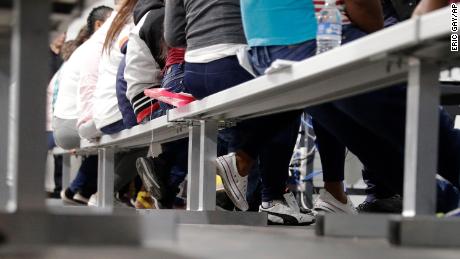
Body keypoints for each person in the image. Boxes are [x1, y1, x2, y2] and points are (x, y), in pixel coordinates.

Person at [165, 0, 315, 225]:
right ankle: (272, 197)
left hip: (194, 71)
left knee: (261, 106)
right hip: (232, 62)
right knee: (290, 93)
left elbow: (173, 35)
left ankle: (240, 182)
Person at [54, 6, 114, 204]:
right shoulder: (96, 49)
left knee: (119, 127)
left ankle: (80, 191)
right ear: (99, 25)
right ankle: (95, 193)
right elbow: (91, 90)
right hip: (72, 122)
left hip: (64, 121)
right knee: (125, 130)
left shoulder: (84, 49)